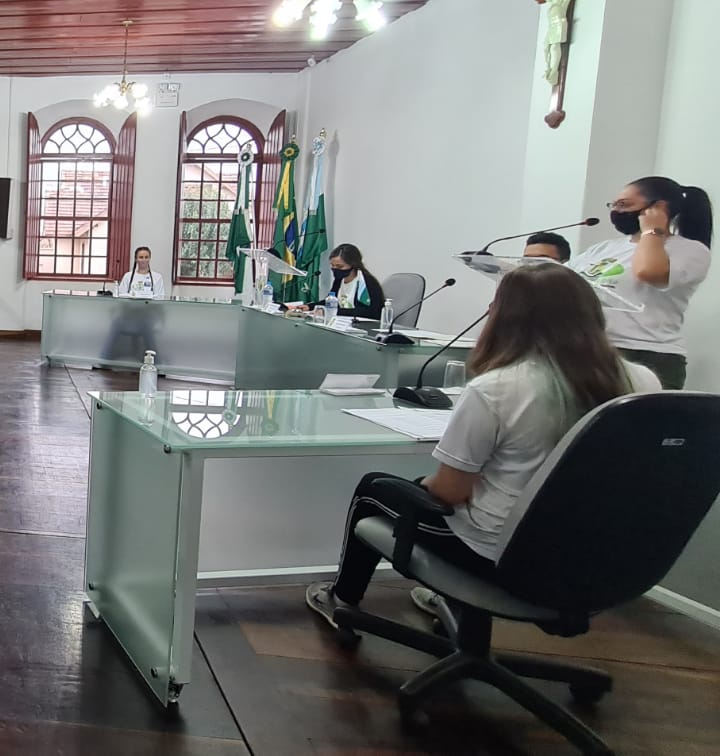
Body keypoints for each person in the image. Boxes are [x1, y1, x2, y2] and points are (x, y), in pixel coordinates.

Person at [304, 262, 660, 628]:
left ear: (508, 317)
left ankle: (342, 599)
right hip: (595, 558)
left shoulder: (497, 389)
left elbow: (450, 493)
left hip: (502, 557)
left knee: (375, 489)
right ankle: (454, 605)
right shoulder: (643, 381)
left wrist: (423, 485)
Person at [568, 176, 712, 389]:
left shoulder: (690, 250)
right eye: (613, 205)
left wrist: (652, 231)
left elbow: (649, 271)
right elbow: (563, 281)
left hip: (647, 355)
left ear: (659, 207)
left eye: (624, 205)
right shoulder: (604, 248)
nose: (615, 211)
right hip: (593, 350)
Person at [298, 244, 385, 320]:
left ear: (353, 264)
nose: (335, 269)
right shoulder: (339, 279)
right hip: (341, 323)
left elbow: (370, 312)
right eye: (332, 265)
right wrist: (310, 307)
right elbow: (330, 301)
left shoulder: (367, 282)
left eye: (340, 266)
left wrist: (333, 312)